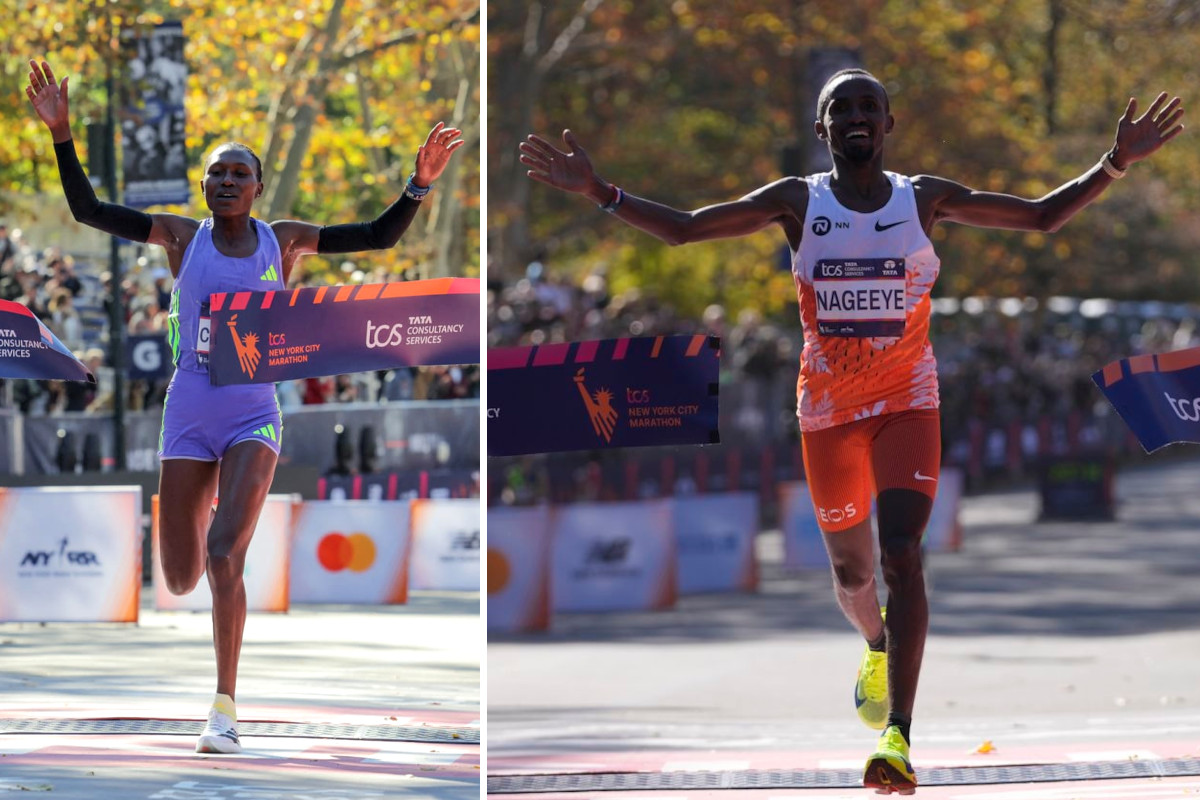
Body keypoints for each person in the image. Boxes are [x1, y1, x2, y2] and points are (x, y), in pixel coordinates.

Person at [520, 69, 1183, 794]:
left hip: (908, 401)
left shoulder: (921, 198)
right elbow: (684, 230)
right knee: (854, 574)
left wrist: (1113, 163)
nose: (857, 117)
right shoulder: (796, 202)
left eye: (869, 107)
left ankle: (898, 736)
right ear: (822, 129)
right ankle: (875, 640)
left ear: (889, 124)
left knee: (902, 554)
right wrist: (599, 192)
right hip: (828, 411)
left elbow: (1039, 216)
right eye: (842, 109)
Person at [27, 58, 463, 754]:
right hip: (189, 408)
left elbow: (377, 237)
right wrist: (61, 135)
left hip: (254, 410)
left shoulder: (282, 241)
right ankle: (192, 534)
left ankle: (224, 710)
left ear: (258, 187)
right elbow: (89, 211)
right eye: (216, 173)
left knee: (225, 553)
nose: (227, 181)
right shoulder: (179, 236)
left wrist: (419, 183)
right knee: (179, 573)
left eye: (239, 173)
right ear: (203, 186)